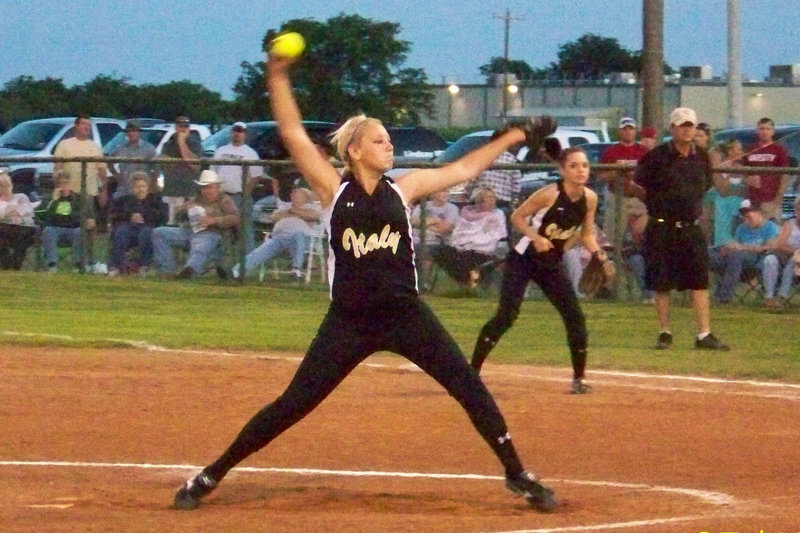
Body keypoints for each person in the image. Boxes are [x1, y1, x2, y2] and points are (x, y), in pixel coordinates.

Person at [172, 51, 558, 513]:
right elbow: (293, 134)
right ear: (354, 151)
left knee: (468, 387)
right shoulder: (333, 190)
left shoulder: (405, 188)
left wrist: (515, 134)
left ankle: (517, 473)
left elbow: (464, 170)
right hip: (349, 321)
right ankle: (212, 473)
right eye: (379, 140)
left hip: (405, 314)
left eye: (389, 139)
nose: (388, 146)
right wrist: (276, 75)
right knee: (293, 404)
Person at [471, 147, 605, 394]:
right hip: (524, 258)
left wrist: (600, 254)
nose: (580, 170)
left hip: (551, 263)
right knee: (507, 315)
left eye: (584, 165)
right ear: (562, 170)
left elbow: (586, 233)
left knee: (574, 315)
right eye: (573, 166)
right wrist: (535, 237)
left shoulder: (590, 198)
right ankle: (472, 371)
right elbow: (517, 217)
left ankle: (579, 378)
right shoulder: (550, 194)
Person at [630, 107, 729, 351]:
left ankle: (703, 334)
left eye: (690, 125)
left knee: (699, 280)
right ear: (672, 128)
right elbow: (637, 184)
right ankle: (665, 332)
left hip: (690, 226)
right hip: (663, 226)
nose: (687, 129)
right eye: (682, 125)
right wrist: (655, 203)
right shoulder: (657, 156)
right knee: (662, 281)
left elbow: (704, 186)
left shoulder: (701, 157)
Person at [152, 169, 240, 279]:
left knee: (200, 244)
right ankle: (167, 271)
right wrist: (184, 210)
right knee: (159, 232)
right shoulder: (196, 199)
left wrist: (214, 220)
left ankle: (189, 271)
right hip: (189, 231)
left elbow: (235, 218)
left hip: (212, 233)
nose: (206, 190)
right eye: (203, 187)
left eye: (209, 187)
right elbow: (178, 216)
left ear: (217, 187)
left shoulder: (225, 200)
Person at [232, 185, 320, 279]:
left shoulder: (313, 207)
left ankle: (296, 270)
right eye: (292, 193)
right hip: (279, 238)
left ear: (305, 196)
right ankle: (236, 271)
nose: (292, 194)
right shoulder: (286, 206)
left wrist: (291, 211)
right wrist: (297, 213)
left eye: (297, 192)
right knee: (261, 250)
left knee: (298, 234)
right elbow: (274, 217)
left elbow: (312, 216)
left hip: (303, 240)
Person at [431, 187, 508, 288]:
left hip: (483, 248)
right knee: (440, 252)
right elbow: (458, 230)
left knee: (467, 258)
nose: (492, 200)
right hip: (460, 245)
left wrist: (472, 241)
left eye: (493, 197)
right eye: (488, 197)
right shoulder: (466, 213)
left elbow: (498, 234)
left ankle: (468, 283)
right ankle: (468, 281)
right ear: (478, 200)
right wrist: (462, 241)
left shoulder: (497, 214)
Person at [709, 199, 780, 305]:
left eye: (748, 216)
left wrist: (742, 247)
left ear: (759, 213)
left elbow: (768, 247)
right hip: (734, 260)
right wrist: (728, 248)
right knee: (706, 252)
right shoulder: (742, 227)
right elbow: (736, 244)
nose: (746, 220)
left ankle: (723, 297)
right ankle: (696, 292)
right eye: (744, 217)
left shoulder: (770, 227)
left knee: (737, 256)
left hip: (754, 259)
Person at [107, 172, 168, 276]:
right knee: (121, 231)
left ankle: (145, 266)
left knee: (147, 233)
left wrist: (144, 216)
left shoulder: (155, 201)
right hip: (128, 228)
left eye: (143, 186)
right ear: (132, 188)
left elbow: (163, 217)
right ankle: (116, 266)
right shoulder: (123, 201)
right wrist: (130, 216)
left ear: (148, 187)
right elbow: (114, 215)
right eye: (137, 186)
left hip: (147, 228)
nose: (141, 189)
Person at [599, 117, 648, 244]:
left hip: (638, 199)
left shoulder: (643, 151)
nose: (628, 132)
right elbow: (601, 176)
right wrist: (618, 173)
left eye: (630, 129)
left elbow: (652, 174)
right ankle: (612, 261)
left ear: (635, 131)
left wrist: (636, 174)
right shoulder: (610, 151)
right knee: (611, 239)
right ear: (619, 131)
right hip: (617, 197)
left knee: (643, 237)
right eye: (624, 129)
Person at [41, 171, 96, 272]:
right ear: (56, 185)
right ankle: (52, 265)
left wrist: (87, 220)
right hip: (55, 228)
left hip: (73, 228)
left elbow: (85, 216)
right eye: (60, 184)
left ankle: (77, 264)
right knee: (48, 231)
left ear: (70, 184)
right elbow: (44, 216)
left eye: (66, 183)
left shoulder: (79, 199)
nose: (63, 186)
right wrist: (53, 201)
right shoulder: (50, 199)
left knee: (79, 232)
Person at [410, 189, 459, 291]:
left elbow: (445, 229)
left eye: (446, 192)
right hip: (415, 240)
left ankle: (423, 283)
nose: (445, 194)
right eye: (442, 191)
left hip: (437, 242)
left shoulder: (452, 208)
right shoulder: (421, 206)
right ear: (432, 194)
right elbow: (413, 221)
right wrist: (435, 221)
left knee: (426, 251)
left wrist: (424, 225)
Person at [462, 129, 522, 211]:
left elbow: (471, 181)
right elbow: (516, 186)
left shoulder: (480, 157)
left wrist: (469, 196)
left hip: (480, 201)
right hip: (502, 202)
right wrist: (513, 204)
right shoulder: (512, 160)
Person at [743, 117, 790, 223]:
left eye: (768, 129)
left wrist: (778, 198)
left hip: (770, 200)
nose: (764, 131)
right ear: (757, 130)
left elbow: (784, 176)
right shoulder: (750, 150)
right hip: (753, 200)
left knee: (771, 230)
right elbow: (743, 174)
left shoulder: (779, 150)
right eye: (762, 128)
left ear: (773, 131)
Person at [211, 122, 265, 210]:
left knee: (241, 222)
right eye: (235, 131)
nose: (237, 134)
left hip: (238, 195)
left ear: (245, 134)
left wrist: (245, 194)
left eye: (240, 131)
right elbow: (213, 171)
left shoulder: (250, 153)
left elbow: (257, 175)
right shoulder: (221, 150)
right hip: (220, 194)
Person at [159, 116, 203, 223]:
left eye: (186, 127)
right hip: (172, 191)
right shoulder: (168, 145)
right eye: (180, 126)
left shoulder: (195, 144)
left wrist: (182, 143)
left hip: (189, 192)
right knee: (170, 225)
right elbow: (163, 162)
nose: (183, 129)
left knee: (189, 224)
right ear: (176, 127)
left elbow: (194, 165)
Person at [706, 139, 746, 246]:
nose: (742, 152)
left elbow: (745, 189)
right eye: (739, 149)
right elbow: (722, 190)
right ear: (730, 151)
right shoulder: (720, 168)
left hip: (737, 211)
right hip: (720, 212)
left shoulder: (741, 169)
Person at [562, 223, 613, 299]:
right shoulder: (567, 225)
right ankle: (580, 294)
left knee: (607, 261)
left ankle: (603, 292)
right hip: (573, 258)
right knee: (571, 254)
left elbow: (605, 246)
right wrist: (576, 237)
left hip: (592, 259)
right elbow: (564, 249)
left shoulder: (593, 227)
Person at [109, 120, 157, 198]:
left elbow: (156, 167)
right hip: (124, 190)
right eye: (129, 131)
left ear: (139, 132)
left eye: (134, 131)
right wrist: (116, 174)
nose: (132, 133)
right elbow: (109, 161)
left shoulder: (149, 149)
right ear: (126, 133)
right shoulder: (120, 148)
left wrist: (153, 184)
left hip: (141, 192)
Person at [0, 169, 37, 270]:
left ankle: (16, 266)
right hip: (5, 230)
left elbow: (27, 210)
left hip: (24, 228)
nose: (6, 188)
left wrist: (9, 212)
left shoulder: (21, 197)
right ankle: (6, 265)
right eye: (2, 186)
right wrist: (12, 211)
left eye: (8, 185)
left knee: (23, 234)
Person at [768, 195, 800, 308]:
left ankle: (782, 297)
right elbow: (780, 245)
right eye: (798, 209)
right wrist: (795, 251)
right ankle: (775, 297)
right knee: (772, 260)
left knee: (794, 261)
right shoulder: (789, 224)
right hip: (787, 258)